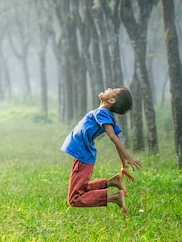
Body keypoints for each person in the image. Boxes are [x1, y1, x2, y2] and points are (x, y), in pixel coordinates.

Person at [60, 87, 142, 216]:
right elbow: (117, 137)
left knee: (74, 199)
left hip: (83, 155)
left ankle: (115, 198)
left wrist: (128, 157)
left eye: (112, 90)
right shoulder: (105, 114)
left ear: (111, 99)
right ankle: (112, 182)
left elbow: (113, 136)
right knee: (81, 189)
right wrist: (123, 164)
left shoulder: (102, 113)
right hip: (83, 155)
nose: (108, 88)